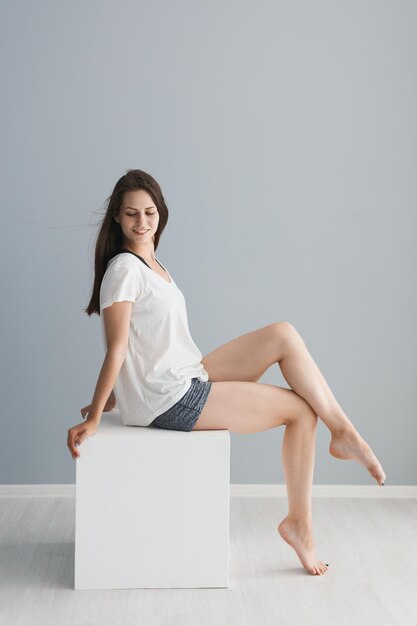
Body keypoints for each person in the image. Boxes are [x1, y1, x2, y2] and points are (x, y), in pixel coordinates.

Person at [67, 168, 386, 577]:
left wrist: (121, 394)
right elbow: (117, 348)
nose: (142, 222)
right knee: (304, 413)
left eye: (149, 212)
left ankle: (344, 433)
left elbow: (146, 341)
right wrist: (97, 416)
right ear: (116, 216)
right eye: (131, 214)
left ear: (160, 212)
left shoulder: (151, 263)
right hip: (171, 397)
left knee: (283, 335)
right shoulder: (125, 269)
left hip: (182, 374)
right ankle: (300, 525)